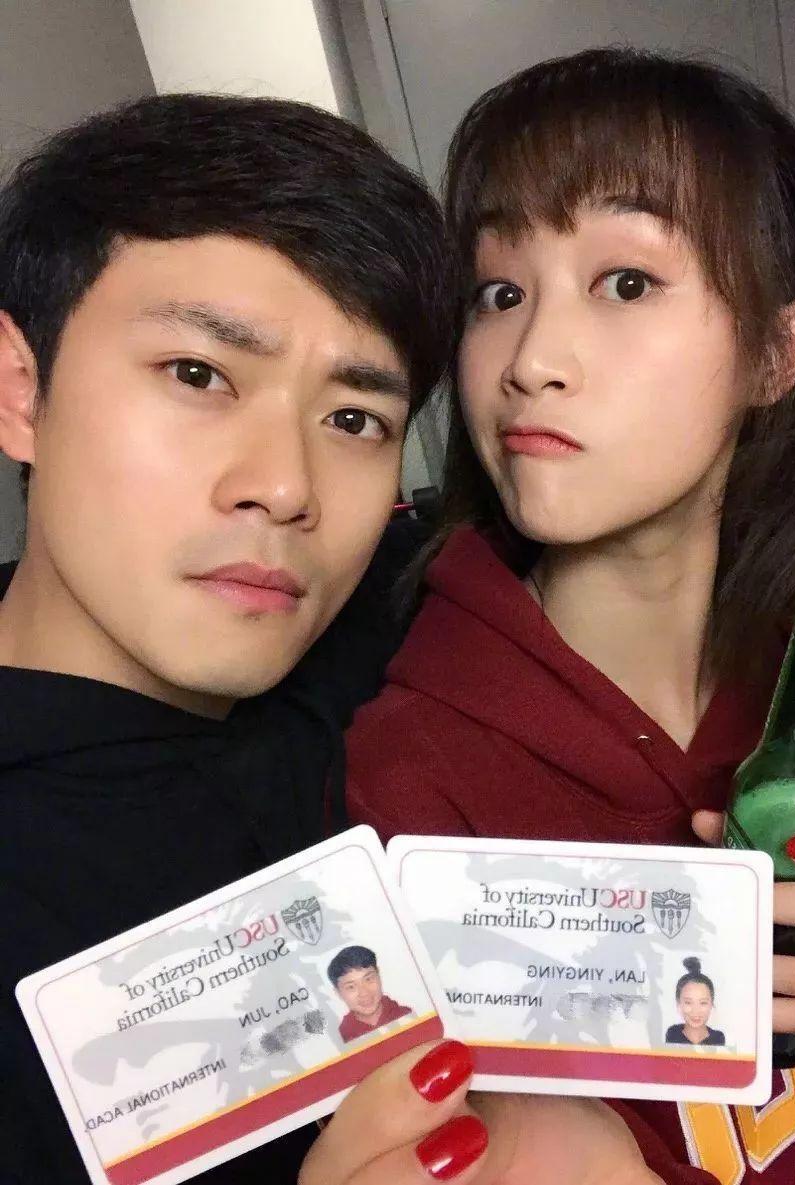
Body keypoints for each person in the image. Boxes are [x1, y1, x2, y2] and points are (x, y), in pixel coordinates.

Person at [347, 49, 795, 1183]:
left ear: (778, 351)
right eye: (499, 293)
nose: (531, 361)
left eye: (626, 283)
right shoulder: (410, 772)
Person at [0, 93, 459, 1185]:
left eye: (353, 419)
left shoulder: (395, 622)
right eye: (199, 375)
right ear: (21, 389)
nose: (287, 486)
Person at [327, 945, 413, 1042]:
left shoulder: (407, 1015)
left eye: (368, 979)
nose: (364, 993)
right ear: (338, 993)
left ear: (378, 975)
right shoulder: (342, 1038)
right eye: (351, 987)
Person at [664, 959, 725, 1047]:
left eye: (703, 1003)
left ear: (711, 1005)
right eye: (688, 1002)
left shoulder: (718, 1038)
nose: (696, 1011)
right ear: (679, 1004)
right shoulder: (672, 1035)